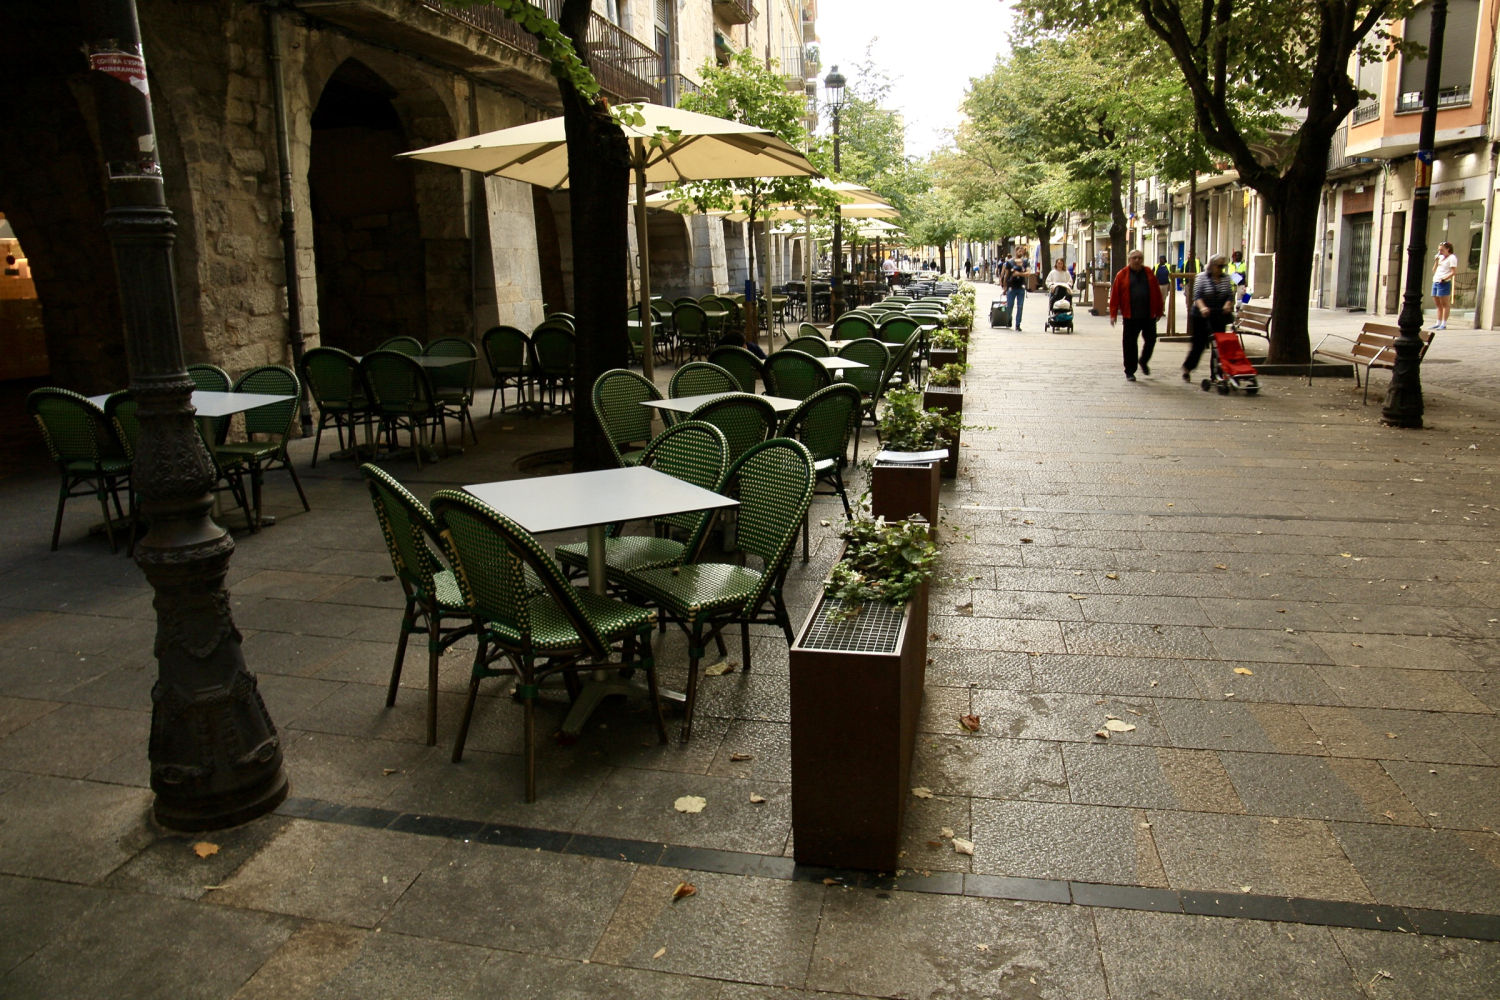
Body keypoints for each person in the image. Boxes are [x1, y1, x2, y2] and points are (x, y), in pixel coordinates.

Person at [1109, 249, 1164, 381]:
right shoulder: (1122, 274)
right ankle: (1130, 371)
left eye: (1139, 258)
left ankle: (1143, 361)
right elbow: (1115, 295)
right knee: (1129, 344)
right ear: (1129, 260)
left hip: (1148, 315)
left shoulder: (1149, 273)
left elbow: (1156, 292)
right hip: (1130, 315)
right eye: (1134, 258)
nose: (1137, 260)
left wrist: (1159, 310)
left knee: (1151, 340)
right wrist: (1113, 314)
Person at [1183, 254, 1234, 380]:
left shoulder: (1226, 278)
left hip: (1219, 314)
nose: (1222, 269)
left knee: (1219, 345)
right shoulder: (1201, 277)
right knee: (1199, 344)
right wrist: (1203, 308)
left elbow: (1229, 295)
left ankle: (1216, 373)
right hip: (1201, 315)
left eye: (1224, 266)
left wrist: (1228, 305)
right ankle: (1188, 368)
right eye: (1219, 266)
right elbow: (1197, 295)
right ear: (1212, 266)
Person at [1001, 248, 1030, 330]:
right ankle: (1009, 319)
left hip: (1021, 287)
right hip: (1011, 287)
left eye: (1022, 251)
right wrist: (1004, 286)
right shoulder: (1010, 262)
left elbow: (1028, 273)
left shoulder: (1025, 262)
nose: (1020, 252)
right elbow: (1006, 275)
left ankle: (1018, 324)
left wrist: (1019, 274)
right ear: (1016, 251)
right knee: (1010, 306)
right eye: (1019, 251)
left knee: (1020, 306)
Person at [1431, 240, 1457, 330]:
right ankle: (1438, 322)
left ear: (1448, 249)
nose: (1440, 252)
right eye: (1439, 250)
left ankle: (1444, 323)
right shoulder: (1440, 257)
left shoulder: (1452, 258)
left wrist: (1444, 278)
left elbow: (1453, 272)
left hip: (1444, 282)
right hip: (1436, 281)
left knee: (1445, 303)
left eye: (1442, 250)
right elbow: (1434, 270)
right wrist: (1436, 261)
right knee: (1438, 304)